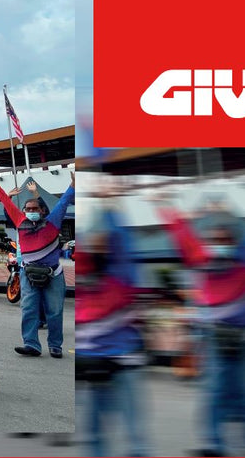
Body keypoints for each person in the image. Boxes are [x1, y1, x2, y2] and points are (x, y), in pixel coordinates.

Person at [149, 183, 245, 457]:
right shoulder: (201, 257)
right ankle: (214, 445)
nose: (220, 244)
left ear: (235, 239)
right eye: (214, 238)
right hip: (215, 338)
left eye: (225, 239)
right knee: (213, 391)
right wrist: (163, 204)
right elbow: (181, 233)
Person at [76, 195, 149, 458]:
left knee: (135, 434)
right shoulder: (85, 275)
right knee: (93, 432)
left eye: (104, 239)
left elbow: (124, 244)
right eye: (93, 239)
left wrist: (112, 209)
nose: (98, 244)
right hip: (92, 362)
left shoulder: (122, 272)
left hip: (123, 360)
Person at [0, 174, 74, 359]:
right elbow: (6, 203)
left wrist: (73, 185)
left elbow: (63, 203)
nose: (31, 211)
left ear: (42, 210)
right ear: (23, 211)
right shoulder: (20, 222)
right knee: (28, 309)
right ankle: (31, 344)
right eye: (28, 209)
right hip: (27, 274)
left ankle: (55, 346)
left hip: (54, 275)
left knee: (54, 312)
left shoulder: (52, 222)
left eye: (35, 208)